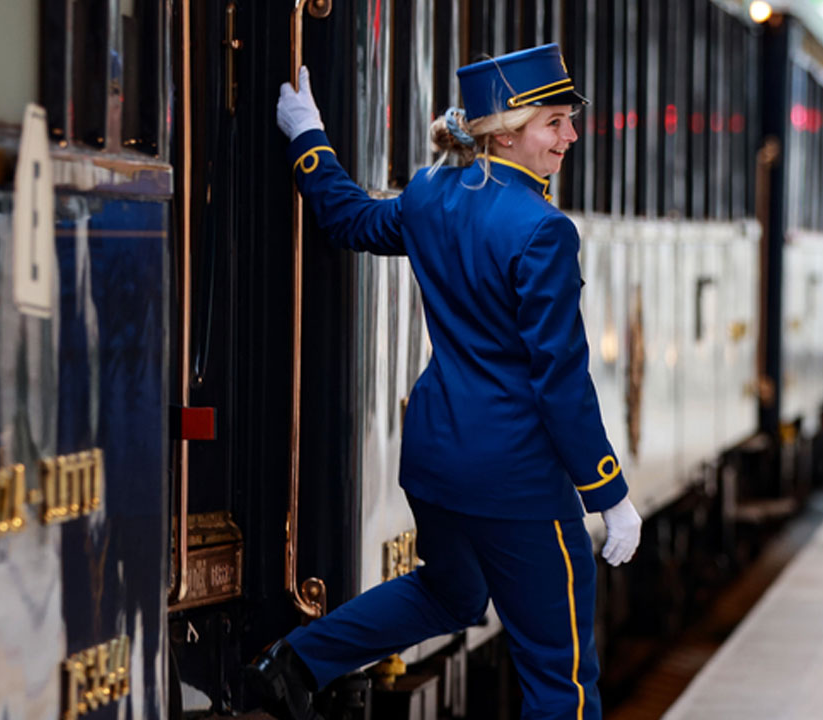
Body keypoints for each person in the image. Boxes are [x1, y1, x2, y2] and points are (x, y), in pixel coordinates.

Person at [249, 44, 642, 720]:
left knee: (451, 596)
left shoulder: (432, 194)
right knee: (562, 677)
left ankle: (297, 661)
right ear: (506, 131)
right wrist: (609, 493)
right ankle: (300, 661)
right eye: (554, 122)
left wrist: (308, 139)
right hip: (517, 480)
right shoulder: (544, 231)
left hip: (437, 464)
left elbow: (346, 220)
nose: (570, 136)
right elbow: (561, 384)